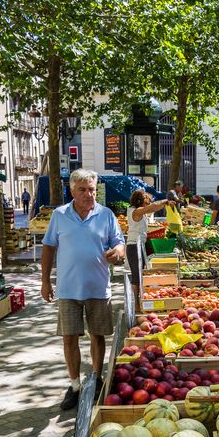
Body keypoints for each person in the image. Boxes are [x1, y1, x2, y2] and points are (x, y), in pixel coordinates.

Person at [41, 169, 125, 410]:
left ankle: (96, 379)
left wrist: (117, 254)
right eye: (83, 190)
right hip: (67, 289)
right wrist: (45, 281)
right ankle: (75, 385)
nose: (89, 194)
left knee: (97, 336)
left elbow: (118, 243)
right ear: (72, 191)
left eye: (92, 189)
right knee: (69, 338)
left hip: (98, 288)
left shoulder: (106, 214)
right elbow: (48, 248)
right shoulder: (59, 215)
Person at [126, 189, 168, 313]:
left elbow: (152, 208)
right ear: (139, 201)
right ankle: (136, 305)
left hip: (139, 245)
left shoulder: (140, 212)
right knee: (136, 276)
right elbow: (153, 207)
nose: (148, 204)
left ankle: (140, 302)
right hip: (134, 247)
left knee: (140, 274)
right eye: (146, 202)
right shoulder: (136, 211)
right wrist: (165, 201)